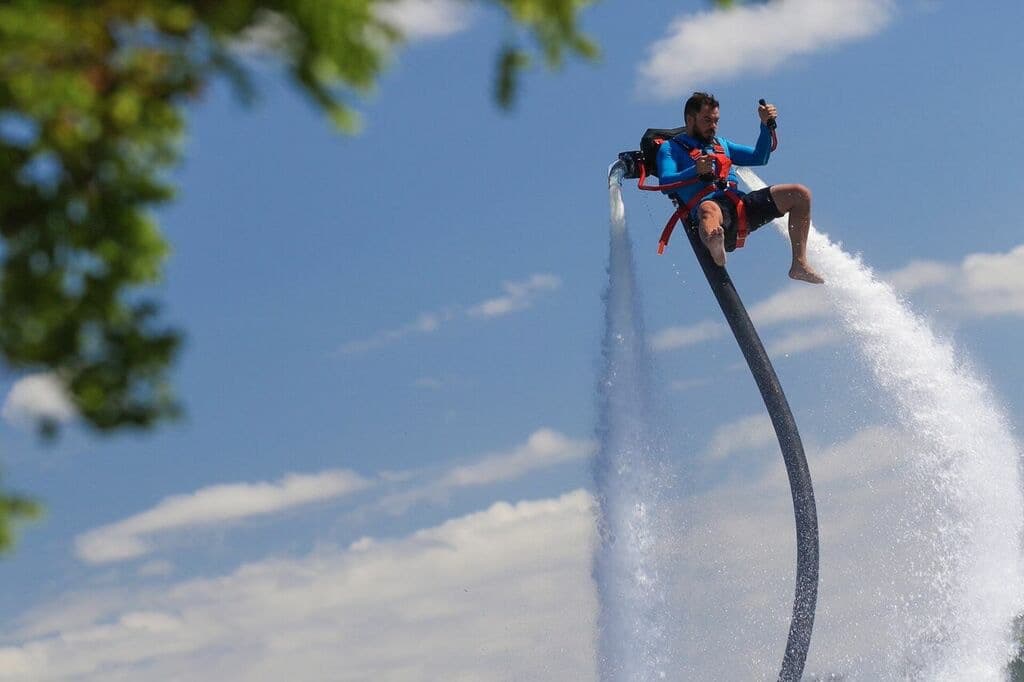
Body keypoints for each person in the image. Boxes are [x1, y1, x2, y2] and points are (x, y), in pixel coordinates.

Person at [656, 92, 824, 284]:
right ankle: (715, 244)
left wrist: (764, 125)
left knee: (799, 194)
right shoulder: (670, 148)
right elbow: (666, 184)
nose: (713, 126)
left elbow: (760, 157)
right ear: (690, 119)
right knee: (708, 208)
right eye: (707, 120)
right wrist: (694, 171)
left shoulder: (721, 144)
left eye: (716, 121)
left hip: (741, 206)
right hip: (711, 213)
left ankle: (799, 264)